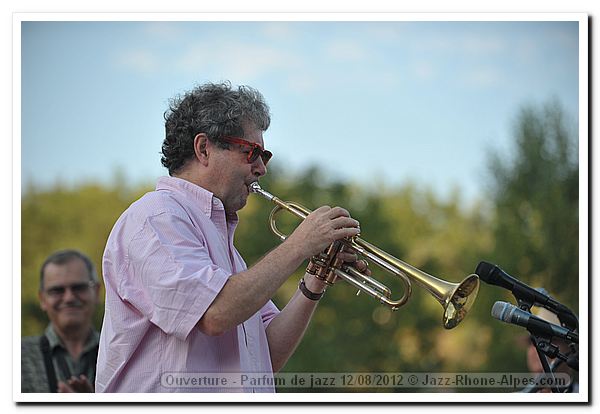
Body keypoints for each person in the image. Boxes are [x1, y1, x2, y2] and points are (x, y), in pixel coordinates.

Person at [95, 81, 364, 393]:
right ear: (204, 148)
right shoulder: (156, 218)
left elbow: (265, 357)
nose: (261, 168)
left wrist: (317, 279)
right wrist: (301, 243)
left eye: (265, 155)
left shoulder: (225, 248)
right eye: (252, 152)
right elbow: (214, 313)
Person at [21, 249, 101, 393]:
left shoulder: (121, 355)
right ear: (42, 299)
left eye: (78, 288)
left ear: (96, 292)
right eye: (57, 290)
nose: (69, 298)